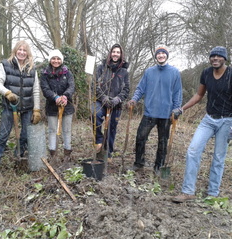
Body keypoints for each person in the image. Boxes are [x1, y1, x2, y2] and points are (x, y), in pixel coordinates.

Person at [172, 46, 232, 203]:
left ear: (225, 58)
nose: (215, 59)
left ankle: (213, 193)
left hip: (227, 121)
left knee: (218, 157)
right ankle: (188, 191)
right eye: (213, 56)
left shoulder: (231, 74)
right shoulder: (206, 73)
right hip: (208, 119)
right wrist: (182, 108)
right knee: (193, 151)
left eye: (219, 56)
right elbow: (199, 94)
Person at [128, 45, 182, 174]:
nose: (161, 55)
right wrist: (134, 99)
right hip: (149, 112)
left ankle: (159, 166)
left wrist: (177, 109)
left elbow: (177, 93)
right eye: (159, 53)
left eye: (163, 53)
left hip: (166, 114)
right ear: (156, 56)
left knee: (162, 142)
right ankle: (139, 163)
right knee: (140, 137)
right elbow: (140, 88)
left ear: (167, 55)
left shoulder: (174, 72)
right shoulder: (149, 72)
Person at [0, 40, 41, 171]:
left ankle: (18, 158)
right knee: (3, 136)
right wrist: (7, 93)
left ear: (28, 53)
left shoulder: (32, 68)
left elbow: (36, 90)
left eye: (25, 50)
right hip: (10, 107)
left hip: (27, 108)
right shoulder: (5, 65)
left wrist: (36, 109)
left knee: (25, 135)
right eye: (20, 49)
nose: (22, 52)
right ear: (15, 51)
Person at [93, 43, 129, 161]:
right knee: (95, 114)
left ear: (121, 55)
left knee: (111, 128)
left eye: (118, 52)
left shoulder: (124, 71)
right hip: (101, 101)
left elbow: (126, 89)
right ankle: (98, 140)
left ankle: (108, 152)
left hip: (116, 105)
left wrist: (117, 99)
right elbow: (95, 85)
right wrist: (103, 98)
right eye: (114, 52)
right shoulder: (101, 68)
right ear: (110, 53)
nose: (115, 54)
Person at [40, 49, 75, 165]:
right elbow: (45, 89)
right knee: (52, 130)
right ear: (50, 60)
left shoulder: (67, 73)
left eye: (58, 58)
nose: (56, 61)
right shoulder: (45, 74)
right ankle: (53, 155)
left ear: (62, 60)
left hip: (67, 106)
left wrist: (65, 96)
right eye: (53, 58)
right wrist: (55, 98)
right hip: (51, 107)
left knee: (67, 130)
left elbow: (71, 86)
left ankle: (67, 155)